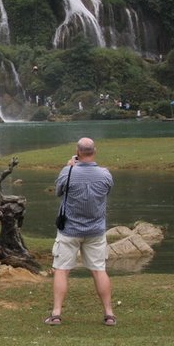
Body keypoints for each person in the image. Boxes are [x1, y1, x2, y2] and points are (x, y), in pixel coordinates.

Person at [45, 137, 116, 326]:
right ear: (95, 151)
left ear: (78, 151)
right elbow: (106, 193)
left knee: (61, 270)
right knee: (99, 270)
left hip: (69, 230)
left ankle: (56, 313)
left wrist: (69, 167)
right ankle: (109, 314)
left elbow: (58, 192)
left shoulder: (68, 172)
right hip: (96, 230)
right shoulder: (105, 174)